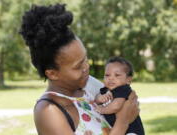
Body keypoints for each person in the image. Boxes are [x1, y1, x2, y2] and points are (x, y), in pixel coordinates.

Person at [20, 3, 139, 135]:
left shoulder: (90, 84)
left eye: (85, 59)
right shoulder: (49, 111)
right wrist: (123, 121)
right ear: (52, 74)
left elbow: (126, 105)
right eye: (78, 66)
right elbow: (125, 116)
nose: (86, 68)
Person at [95, 56, 145, 135]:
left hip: (132, 130)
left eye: (117, 75)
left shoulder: (123, 89)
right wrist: (99, 98)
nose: (111, 78)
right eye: (107, 75)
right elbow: (97, 97)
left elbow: (116, 105)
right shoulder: (105, 90)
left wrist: (102, 110)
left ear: (128, 80)